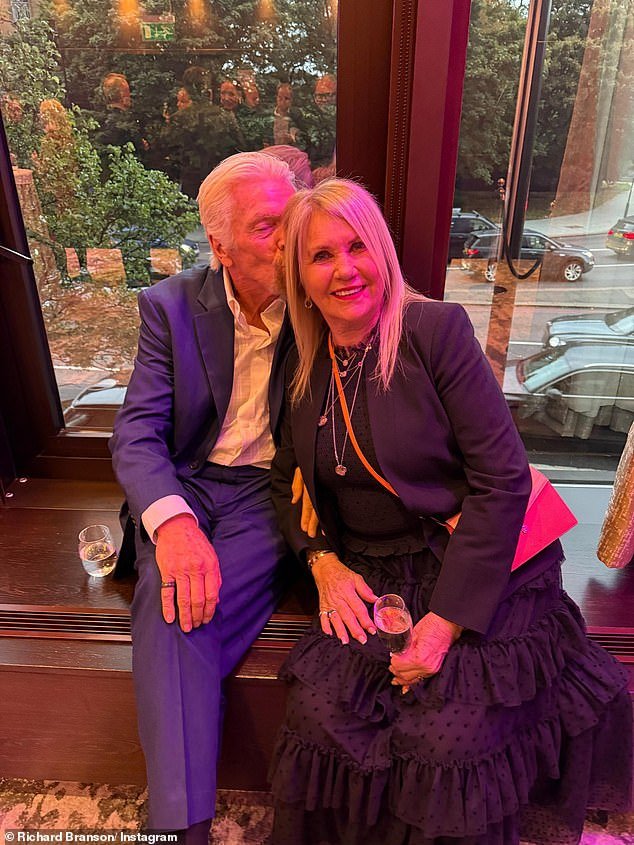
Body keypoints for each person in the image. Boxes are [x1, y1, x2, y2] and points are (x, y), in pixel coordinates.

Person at [268, 178, 632, 845]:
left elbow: (503, 481)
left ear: (382, 252)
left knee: (447, 740)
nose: (345, 269)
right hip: (372, 572)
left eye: (358, 246)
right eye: (321, 255)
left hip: (468, 562)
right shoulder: (299, 354)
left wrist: (443, 624)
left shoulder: (435, 331)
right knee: (320, 716)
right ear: (300, 276)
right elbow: (286, 476)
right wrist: (321, 563)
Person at [109, 151, 297, 843]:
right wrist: (172, 525)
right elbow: (137, 432)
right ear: (219, 246)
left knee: (182, 611)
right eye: (266, 226)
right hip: (187, 483)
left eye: (292, 219)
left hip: (267, 496)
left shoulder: (319, 298)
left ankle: (175, 832)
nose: (288, 239)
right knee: (176, 587)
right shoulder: (170, 306)